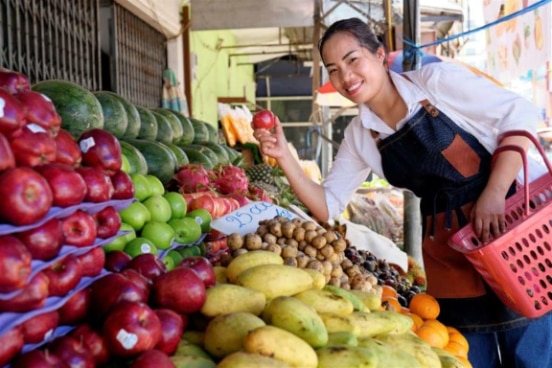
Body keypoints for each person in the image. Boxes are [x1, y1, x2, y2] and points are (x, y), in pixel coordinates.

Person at [253, 17, 552, 368]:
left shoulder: (435, 83)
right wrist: (284, 155)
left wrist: (495, 193)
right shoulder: (360, 136)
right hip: (447, 249)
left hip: (507, 230)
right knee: (467, 357)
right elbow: (327, 204)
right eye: (333, 70)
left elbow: (518, 115)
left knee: (533, 352)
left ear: (380, 55)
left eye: (353, 60)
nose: (346, 77)